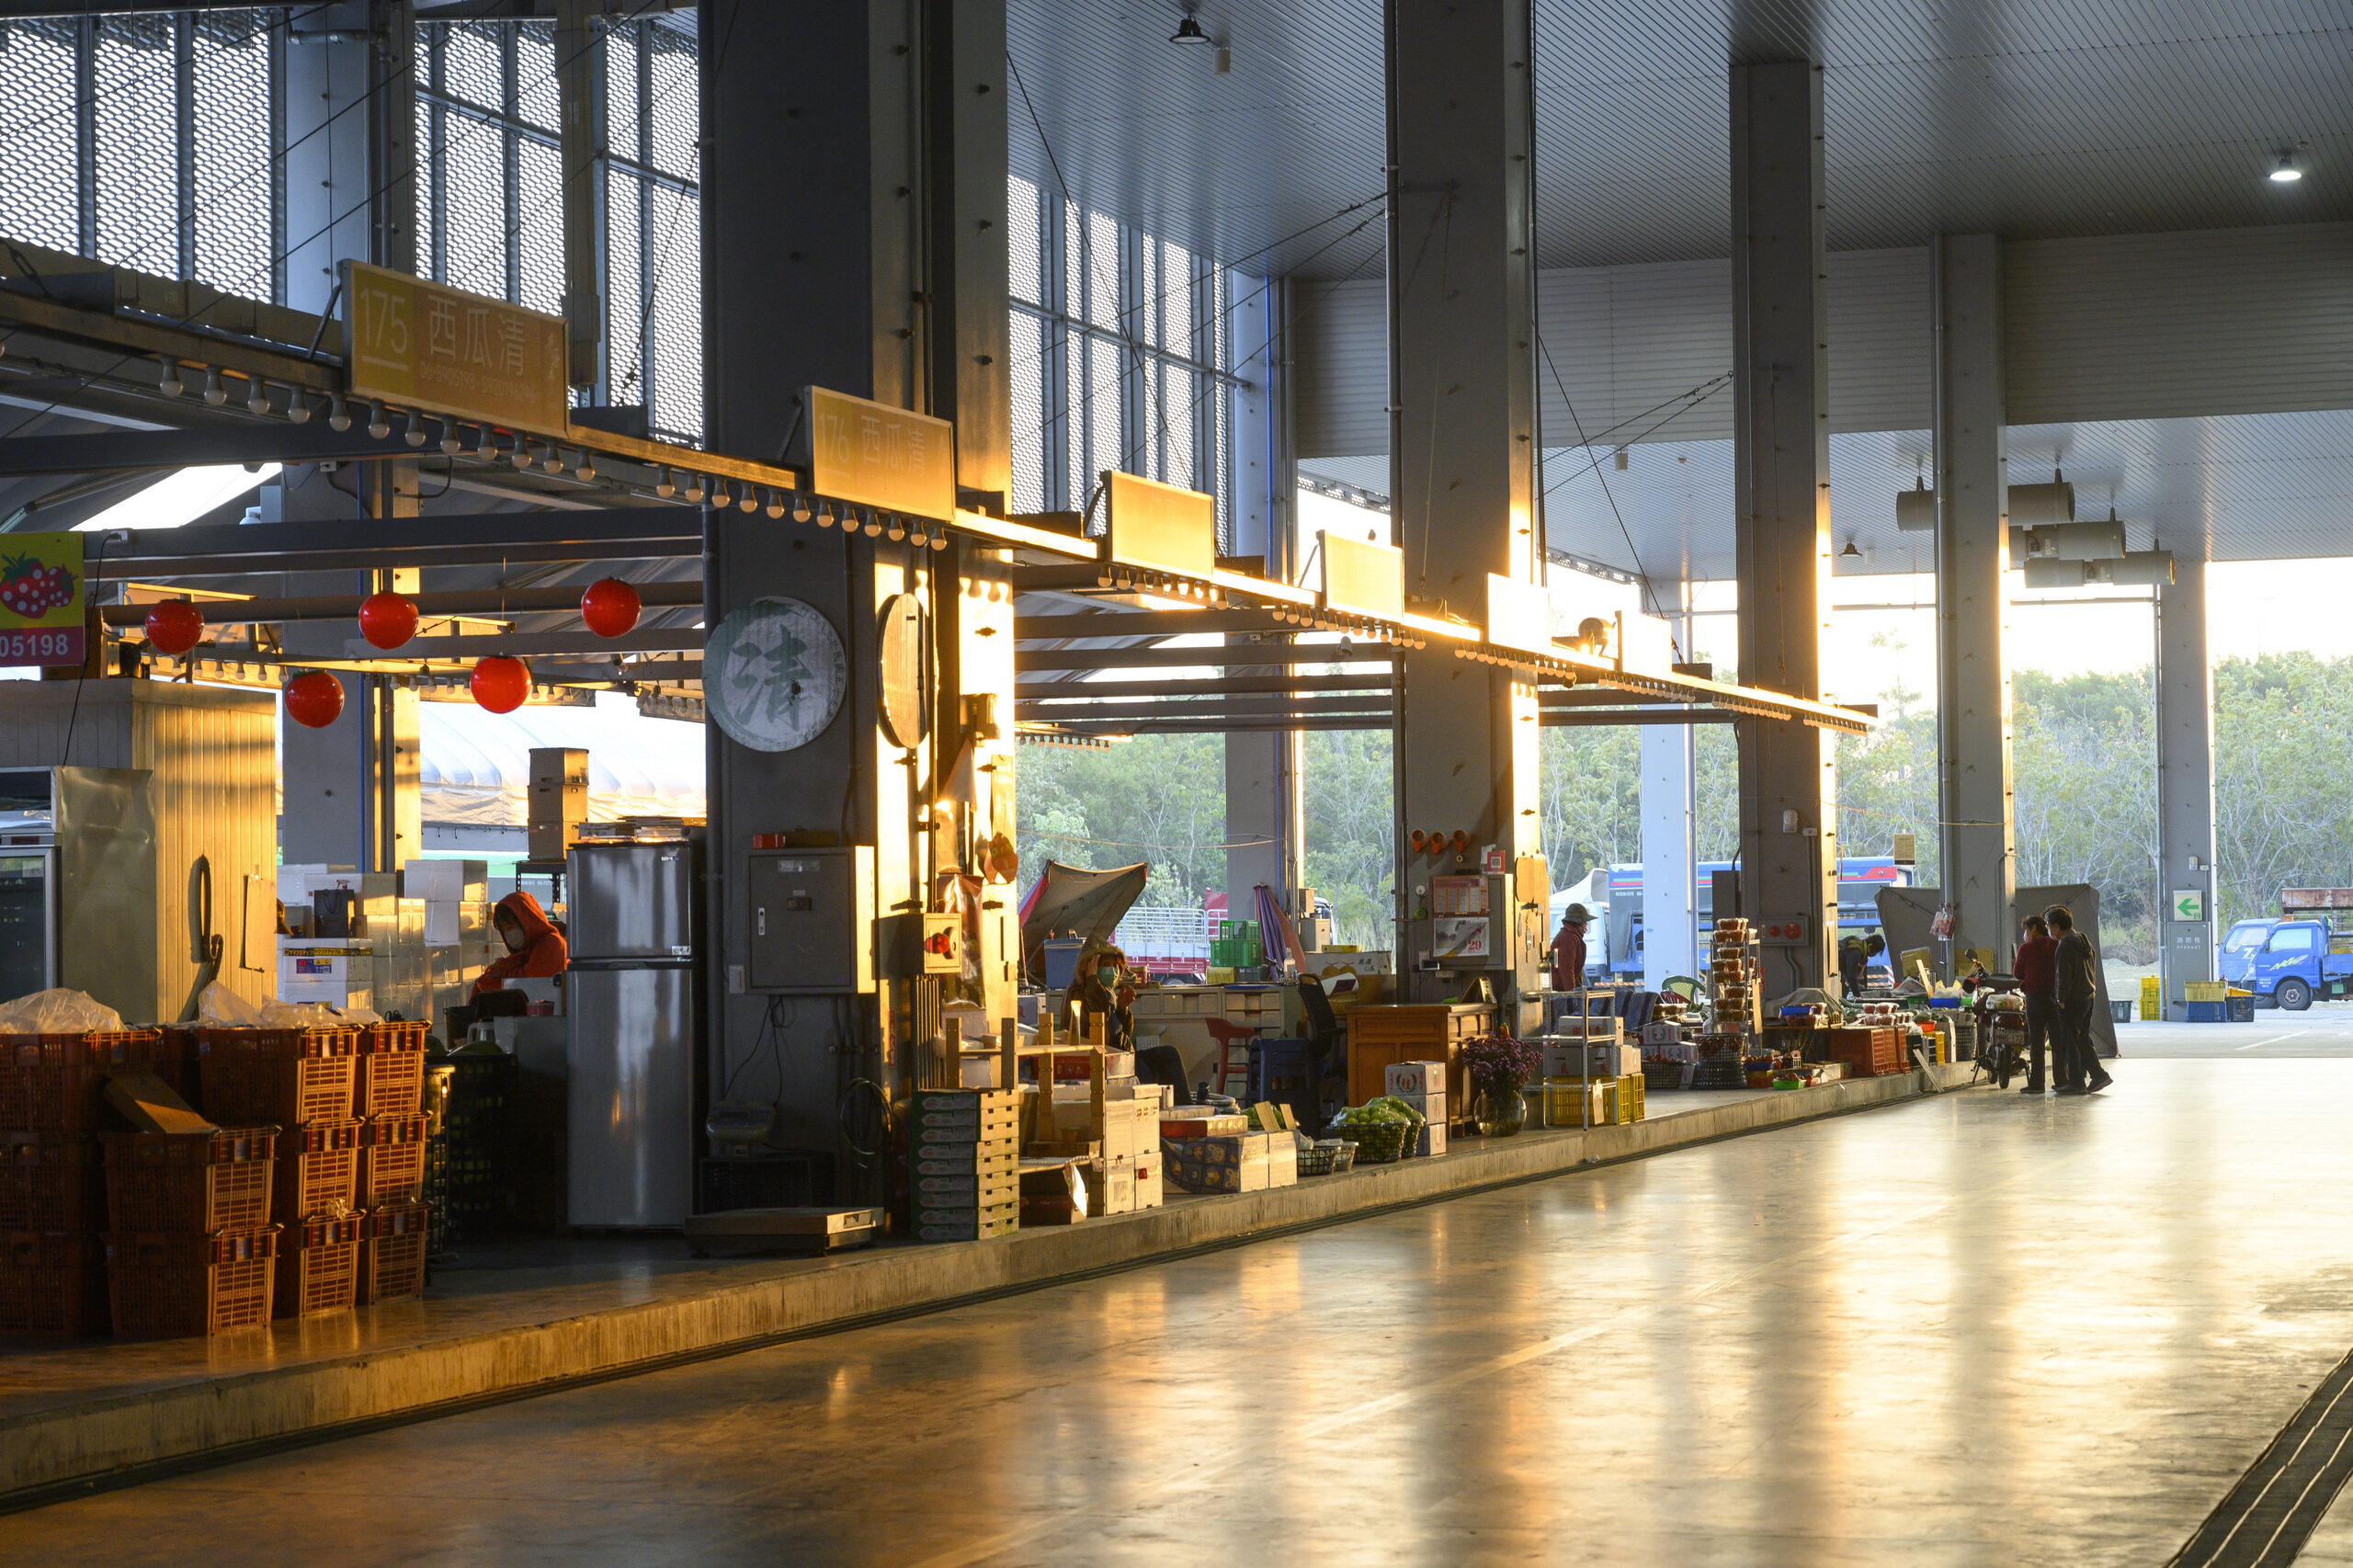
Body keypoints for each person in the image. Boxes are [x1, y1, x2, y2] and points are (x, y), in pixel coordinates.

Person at [2048, 903, 2112, 1095]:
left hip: (2072, 1000)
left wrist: (2061, 998)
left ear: (2058, 927)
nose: (2049, 930)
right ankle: (2098, 1074)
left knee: (2070, 1040)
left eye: (2050, 926)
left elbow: (2063, 975)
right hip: (2087, 996)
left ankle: (2076, 1081)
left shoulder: (2065, 946)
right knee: (2082, 1038)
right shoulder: (2084, 940)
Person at [472, 890, 568, 997]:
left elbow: (528, 984)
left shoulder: (551, 944)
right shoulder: (527, 951)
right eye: (504, 930)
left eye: (510, 927)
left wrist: (502, 974)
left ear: (527, 921)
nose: (508, 934)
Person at [2014, 914, 2058, 1094]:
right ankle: (2062, 1081)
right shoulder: (2057, 945)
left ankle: (2037, 1083)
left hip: (2035, 999)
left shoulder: (2026, 948)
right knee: (2058, 1041)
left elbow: (2017, 973)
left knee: (2037, 1042)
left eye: (2026, 930)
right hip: (2055, 998)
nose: (2025, 935)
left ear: (2033, 929)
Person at [1551, 904, 1591, 991]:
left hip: (1561, 989)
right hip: (1561, 991)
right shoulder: (1568, 938)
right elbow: (1567, 970)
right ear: (1579, 923)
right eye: (1585, 922)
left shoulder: (1569, 936)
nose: (1586, 926)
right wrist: (1572, 995)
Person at [1839, 933, 1886, 999]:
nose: (1874, 955)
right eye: (1875, 952)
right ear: (1869, 946)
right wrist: (1858, 996)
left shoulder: (1857, 947)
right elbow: (1851, 976)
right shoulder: (1856, 950)